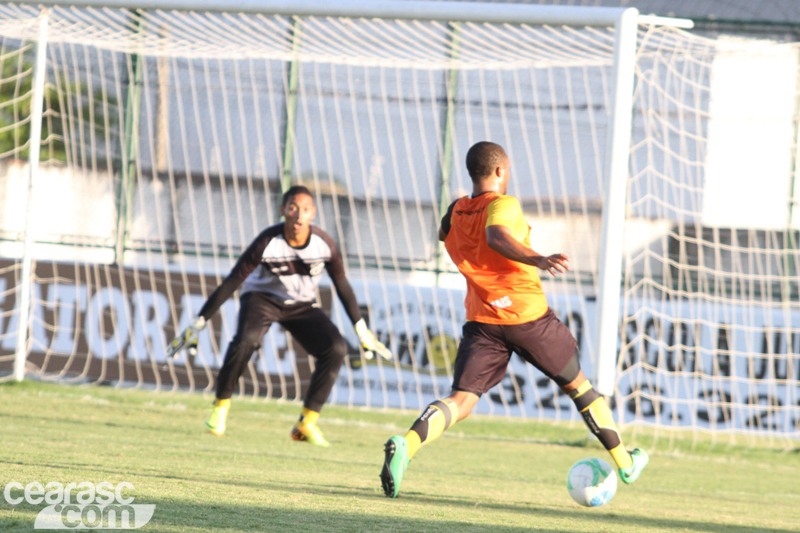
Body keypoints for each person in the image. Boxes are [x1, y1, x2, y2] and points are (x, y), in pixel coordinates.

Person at [379, 141, 648, 497]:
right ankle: (625, 465)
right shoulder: (504, 204)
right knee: (580, 387)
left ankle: (408, 443)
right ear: (500, 171)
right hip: (527, 318)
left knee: (461, 400)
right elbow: (496, 236)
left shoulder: (456, 209)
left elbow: (444, 233)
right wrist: (538, 259)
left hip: (482, 321)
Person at [169, 185, 391, 447]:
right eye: (293, 208)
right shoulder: (268, 242)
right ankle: (220, 406)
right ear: (283, 210)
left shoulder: (324, 245)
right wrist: (199, 321)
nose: (299, 215)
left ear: (313, 214)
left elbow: (342, 285)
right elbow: (233, 280)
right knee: (247, 340)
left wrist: (361, 329)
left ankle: (305, 424)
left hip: (301, 305)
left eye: (305, 210)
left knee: (336, 348)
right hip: (262, 299)